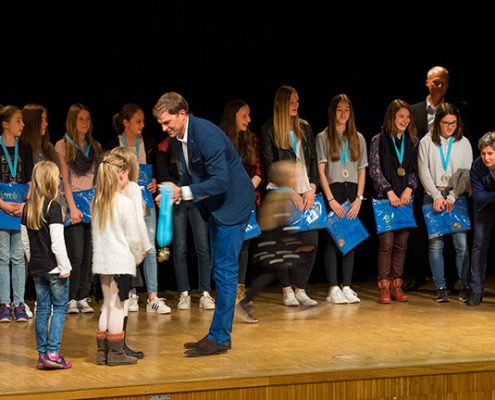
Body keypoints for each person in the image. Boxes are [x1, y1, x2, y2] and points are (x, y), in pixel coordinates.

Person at [153, 91, 255, 357]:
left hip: (233, 206)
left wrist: (182, 193)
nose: (165, 129)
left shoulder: (207, 135)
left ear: (182, 114)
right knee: (217, 269)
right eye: (162, 124)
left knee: (224, 271)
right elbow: (190, 173)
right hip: (214, 206)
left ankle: (220, 337)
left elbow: (221, 181)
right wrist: (174, 190)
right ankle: (217, 334)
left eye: (167, 123)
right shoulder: (178, 137)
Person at [108, 104, 171, 314]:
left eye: (143, 121)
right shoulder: (115, 144)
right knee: (129, 247)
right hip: (125, 204)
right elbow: (109, 175)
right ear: (126, 123)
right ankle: (132, 292)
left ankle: (153, 296)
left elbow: (154, 170)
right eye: (138, 121)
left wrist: (154, 181)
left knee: (150, 248)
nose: (143, 125)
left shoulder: (149, 143)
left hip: (146, 203)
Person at [260, 85, 318, 307]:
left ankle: (300, 288)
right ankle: (286, 290)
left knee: (310, 242)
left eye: (297, 101)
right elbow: (270, 165)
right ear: (281, 104)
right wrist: (289, 191)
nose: (295, 106)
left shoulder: (305, 127)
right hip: (283, 193)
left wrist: (312, 187)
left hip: (306, 192)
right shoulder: (269, 129)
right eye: (291, 102)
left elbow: (311, 159)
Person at [236, 160, 311, 323]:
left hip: (275, 243)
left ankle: (246, 302)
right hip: (273, 244)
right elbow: (275, 222)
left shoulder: (280, 193)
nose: (295, 179)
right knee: (269, 274)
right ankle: (245, 302)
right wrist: (292, 242)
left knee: (269, 274)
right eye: (292, 176)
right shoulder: (279, 194)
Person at [92, 152, 147, 366]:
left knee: (106, 305)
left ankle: (102, 352)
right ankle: (115, 353)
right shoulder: (123, 203)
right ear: (120, 174)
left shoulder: (97, 202)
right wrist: (137, 254)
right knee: (117, 306)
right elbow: (133, 237)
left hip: (103, 262)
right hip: (119, 262)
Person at [315, 94, 368, 304]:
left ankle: (346, 285)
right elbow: (321, 171)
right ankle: (333, 288)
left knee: (350, 239)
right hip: (334, 191)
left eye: (347, 110)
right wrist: (330, 200)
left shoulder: (358, 137)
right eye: (339, 110)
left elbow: (362, 171)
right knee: (332, 240)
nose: (343, 114)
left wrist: (359, 199)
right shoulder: (323, 137)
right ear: (332, 112)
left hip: (353, 191)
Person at [418, 103, 472, 303]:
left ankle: (464, 284)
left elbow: (466, 173)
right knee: (436, 245)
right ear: (437, 123)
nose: (450, 127)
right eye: (446, 123)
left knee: (461, 245)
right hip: (433, 196)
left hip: (455, 197)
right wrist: (436, 196)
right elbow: (423, 171)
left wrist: (452, 196)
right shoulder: (426, 142)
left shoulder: (463, 142)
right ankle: (440, 288)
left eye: (454, 123)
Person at [21, 161, 72, 369]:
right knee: (59, 308)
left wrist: (34, 260)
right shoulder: (53, 206)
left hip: (37, 268)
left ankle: (42, 355)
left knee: (42, 309)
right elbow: (57, 241)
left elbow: (25, 241)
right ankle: (52, 352)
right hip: (54, 268)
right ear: (52, 180)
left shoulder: (28, 208)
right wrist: (65, 266)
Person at [155, 134, 215, 311]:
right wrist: (178, 191)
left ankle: (205, 292)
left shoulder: (196, 145)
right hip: (176, 201)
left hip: (195, 200)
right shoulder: (164, 147)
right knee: (180, 248)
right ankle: (184, 292)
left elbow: (203, 175)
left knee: (203, 246)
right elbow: (164, 177)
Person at [369, 99, 419, 304]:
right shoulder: (378, 140)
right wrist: (389, 191)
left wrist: (408, 189)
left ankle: (397, 283)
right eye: (401, 117)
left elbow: (416, 169)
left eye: (408, 117)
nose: (405, 121)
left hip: (406, 198)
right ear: (392, 116)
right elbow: (374, 170)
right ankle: (384, 286)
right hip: (385, 199)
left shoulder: (413, 141)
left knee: (401, 244)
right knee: (387, 243)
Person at [55, 103, 102, 314]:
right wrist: (73, 209)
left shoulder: (95, 146)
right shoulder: (63, 146)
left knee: (89, 255)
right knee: (75, 254)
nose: (85, 123)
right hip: (74, 206)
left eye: (88, 119)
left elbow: (98, 180)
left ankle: (83, 296)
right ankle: (71, 297)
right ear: (72, 121)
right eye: (80, 119)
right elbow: (65, 181)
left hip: (91, 205)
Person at [109, 146, 152, 359]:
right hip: (125, 253)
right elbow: (137, 222)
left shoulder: (105, 190)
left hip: (109, 253)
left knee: (112, 302)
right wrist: (142, 248)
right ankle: (119, 347)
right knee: (122, 302)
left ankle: (111, 346)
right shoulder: (133, 189)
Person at [218, 99, 263, 303]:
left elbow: (259, 170)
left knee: (245, 243)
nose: (248, 120)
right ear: (233, 116)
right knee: (227, 244)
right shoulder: (220, 138)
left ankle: (239, 288)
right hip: (226, 199)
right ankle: (223, 287)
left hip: (247, 197)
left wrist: (247, 189)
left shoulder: (251, 138)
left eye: (249, 115)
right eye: (244, 116)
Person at [21, 103, 59, 317]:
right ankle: (18, 300)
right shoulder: (24, 148)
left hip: (48, 209)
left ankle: (45, 300)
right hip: (30, 209)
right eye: (43, 119)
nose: (46, 123)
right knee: (22, 257)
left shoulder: (48, 149)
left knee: (49, 252)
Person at [0, 105, 33, 322]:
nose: (22, 125)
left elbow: (30, 180)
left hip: (20, 207)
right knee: (3, 257)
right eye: (18, 121)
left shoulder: (25, 148)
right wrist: (2, 204)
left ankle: (19, 303)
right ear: (5, 124)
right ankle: (4, 303)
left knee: (19, 257)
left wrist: (24, 204)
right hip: (2, 207)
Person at [467, 132, 495, 306]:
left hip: (489, 198)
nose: (486, 157)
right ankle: (477, 290)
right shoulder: (477, 166)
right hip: (484, 208)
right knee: (479, 244)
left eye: (490, 153)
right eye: (483, 153)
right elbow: (479, 197)